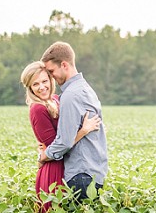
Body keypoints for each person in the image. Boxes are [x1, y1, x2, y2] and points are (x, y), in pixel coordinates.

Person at [20, 61, 101, 213]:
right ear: (30, 88)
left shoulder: (56, 99)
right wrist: (84, 131)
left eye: (44, 81)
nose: (42, 87)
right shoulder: (38, 109)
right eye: (35, 84)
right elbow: (57, 147)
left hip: (66, 166)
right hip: (54, 170)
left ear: (50, 80)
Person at [38, 41, 108, 202]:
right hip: (94, 174)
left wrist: (43, 156)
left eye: (51, 71)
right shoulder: (86, 89)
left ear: (64, 65)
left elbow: (64, 141)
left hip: (80, 175)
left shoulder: (71, 95)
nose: (51, 77)